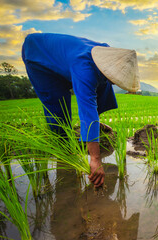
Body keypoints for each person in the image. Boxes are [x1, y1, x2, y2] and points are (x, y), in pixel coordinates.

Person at [22, 33, 140, 188]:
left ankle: (92, 128)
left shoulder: (109, 55)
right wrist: (96, 159)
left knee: (104, 85)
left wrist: (94, 124)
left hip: (65, 57)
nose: (116, 82)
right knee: (57, 103)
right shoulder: (84, 67)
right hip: (38, 57)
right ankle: (62, 150)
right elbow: (86, 109)